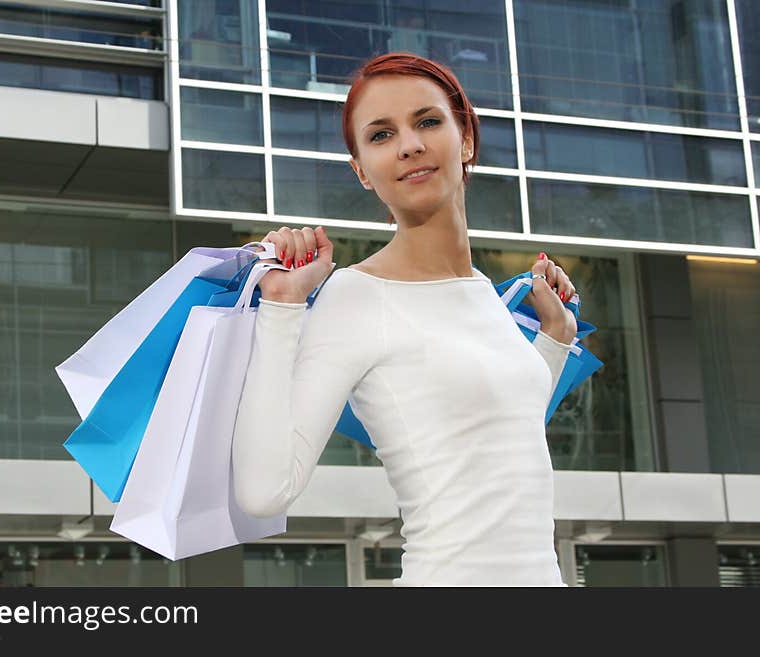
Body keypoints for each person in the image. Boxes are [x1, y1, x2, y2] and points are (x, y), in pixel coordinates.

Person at [232, 53, 578, 586]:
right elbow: (263, 491)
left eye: (427, 121)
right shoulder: (356, 295)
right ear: (362, 172)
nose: (409, 144)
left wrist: (555, 340)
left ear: (465, 139)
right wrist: (282, 305)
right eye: (380, 135)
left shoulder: (486, 294)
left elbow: (499, 442)